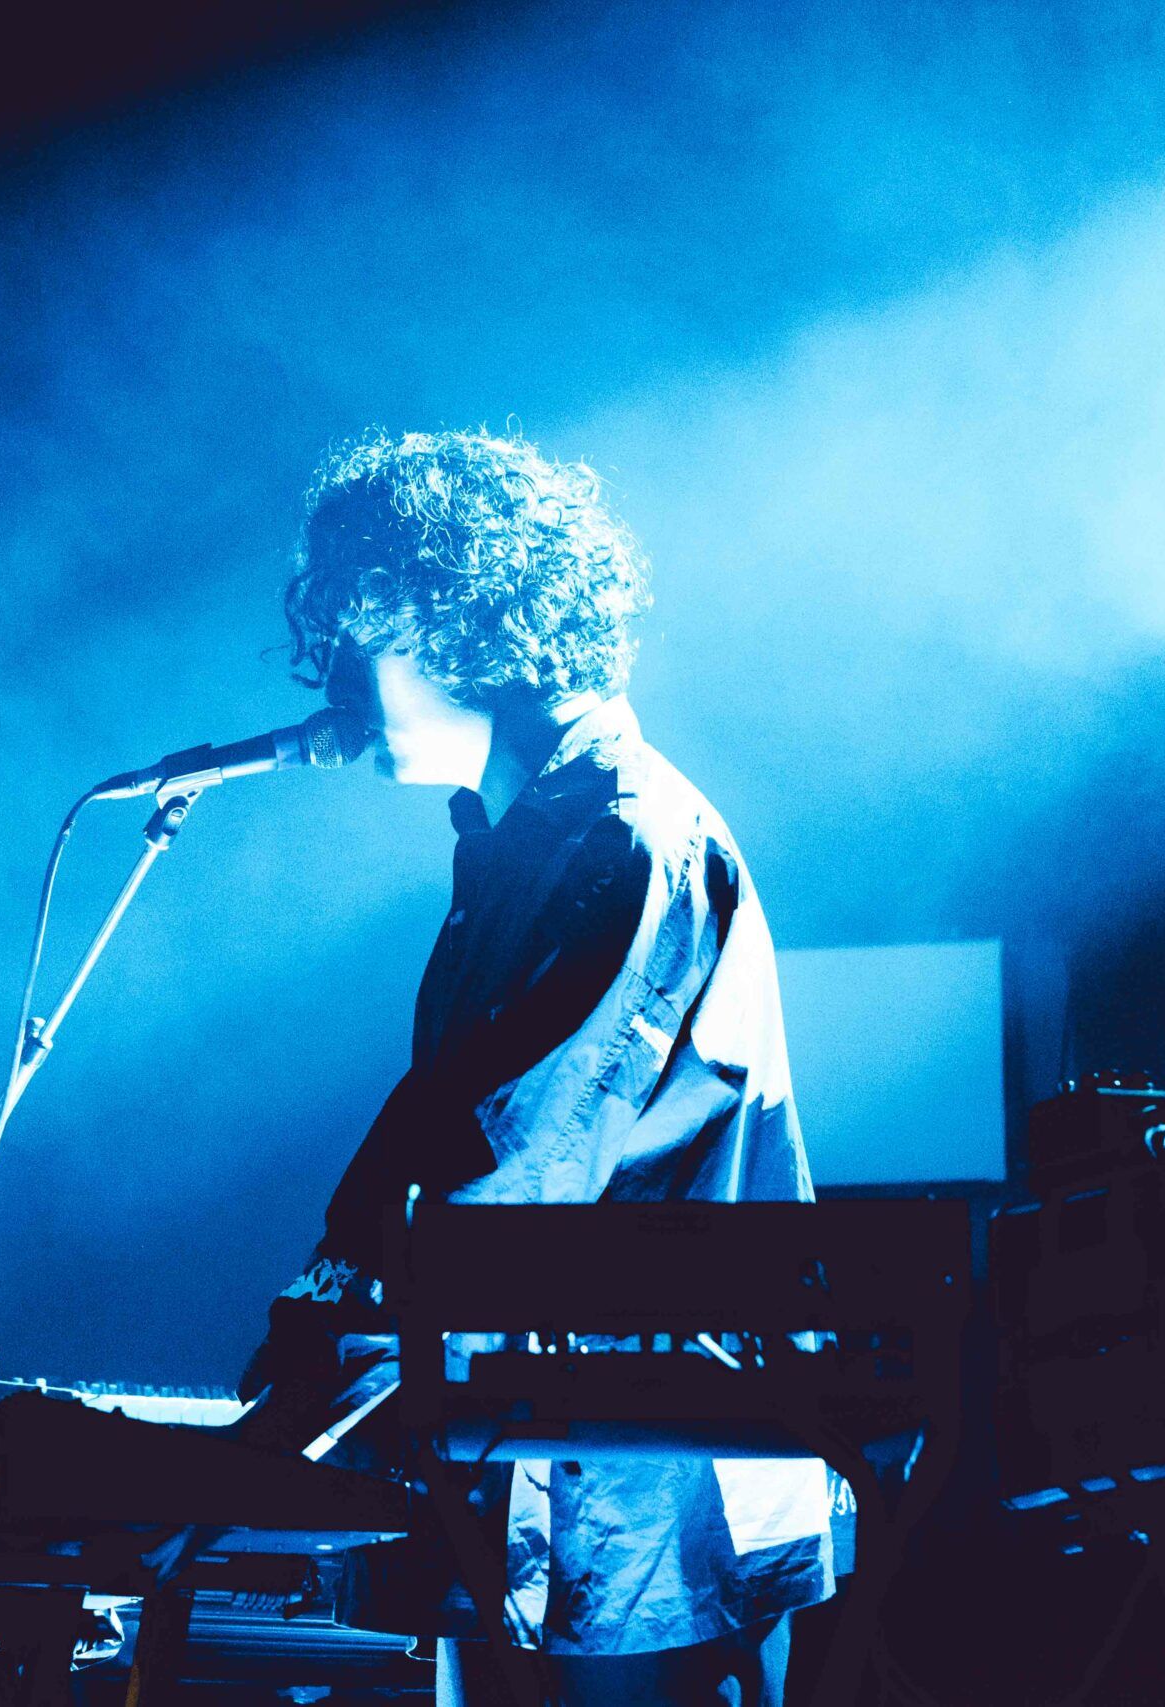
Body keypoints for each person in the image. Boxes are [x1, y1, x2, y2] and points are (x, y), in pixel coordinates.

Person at [239, 429, 834, 1706]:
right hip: (532, 1445)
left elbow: (515, 1162)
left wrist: (320, 1344)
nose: (336, 678)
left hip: (642, 1471)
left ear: (460, 621)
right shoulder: (521, 843)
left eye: (360, 634)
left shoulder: (622, 837)